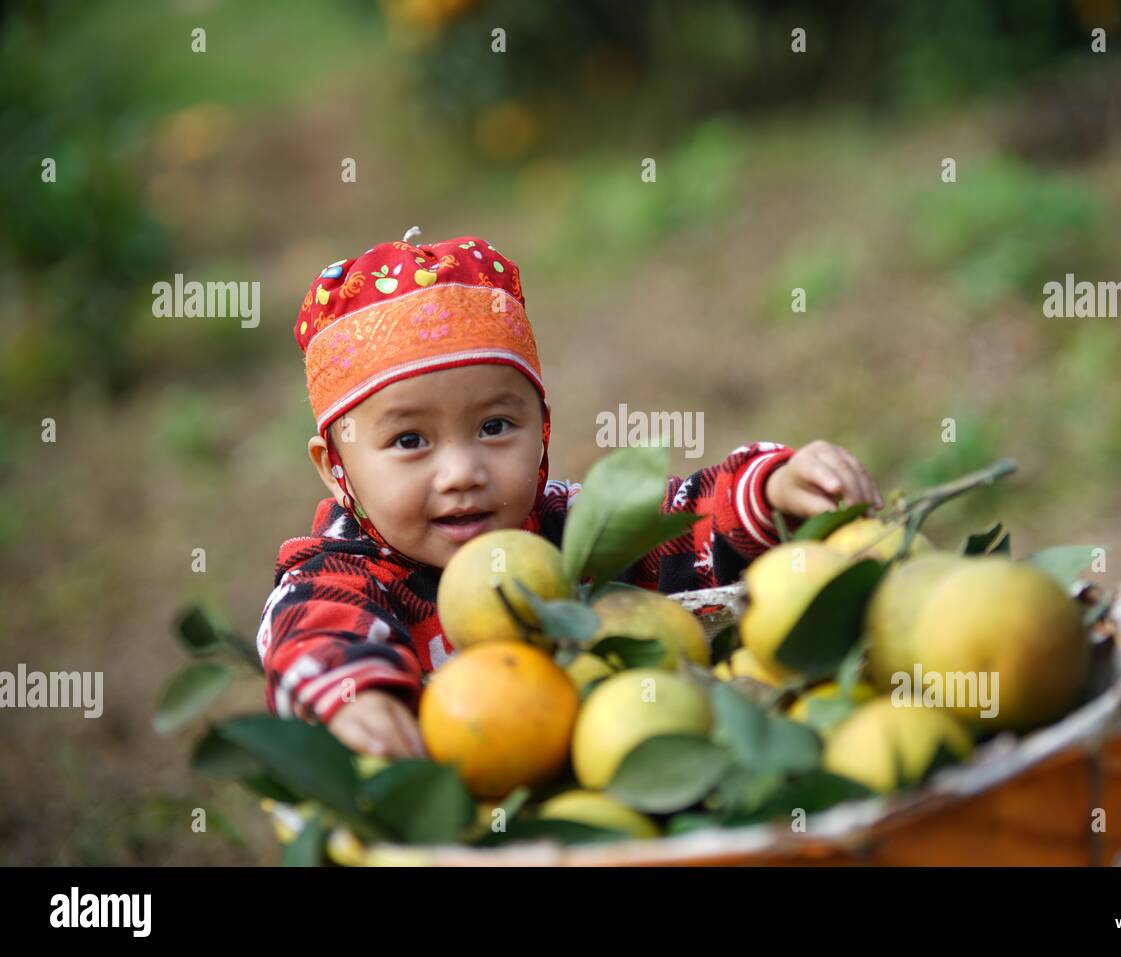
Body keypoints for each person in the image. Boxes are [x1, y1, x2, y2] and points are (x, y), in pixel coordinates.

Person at [258, 231, 882, 757]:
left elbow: (679, 523)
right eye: (410, 440)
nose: (462, 472)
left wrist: (770, 490)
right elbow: (312, 630)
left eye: (495, 427)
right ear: (335, 466)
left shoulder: (563, 528)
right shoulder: (343, 573)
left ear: (542, 427)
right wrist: (355, 696)